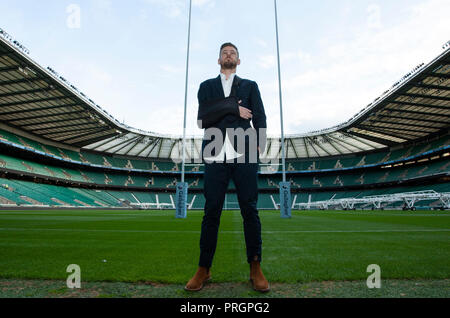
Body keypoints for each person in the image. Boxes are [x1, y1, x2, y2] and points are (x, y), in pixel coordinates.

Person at [185, 42, 269, 292]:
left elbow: (260, 116)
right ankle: (204, 267)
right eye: (224, 53)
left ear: (239, 61)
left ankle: (255, 266)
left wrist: (260, 143)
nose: (228, 55)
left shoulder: (251, 85)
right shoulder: (206, 86)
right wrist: (232, 107)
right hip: (214, 146)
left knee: (249, 209)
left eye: (232, 52)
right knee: (211, 210)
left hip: (245, 146)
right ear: (219, 60)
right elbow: (203, 118)